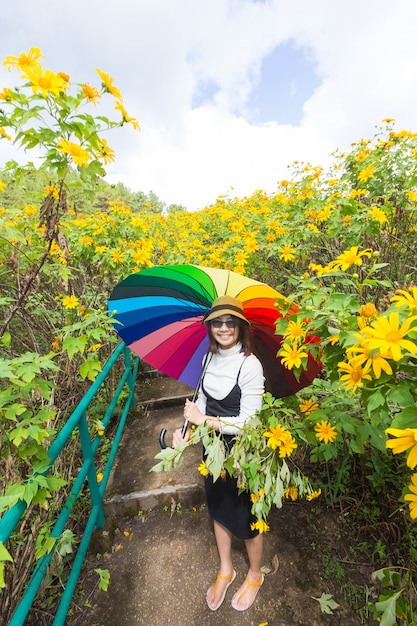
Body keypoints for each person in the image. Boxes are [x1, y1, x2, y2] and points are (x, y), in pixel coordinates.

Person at [172, 295, 265, 612]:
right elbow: (199, 403)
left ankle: (255, 575)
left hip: (242, 456)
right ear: (210, 327)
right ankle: (227, 568)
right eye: (217, 322)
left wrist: (204, 421)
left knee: (248, 518)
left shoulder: (249, 365)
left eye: (230, 322)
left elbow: (248, 425)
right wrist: (184, 433)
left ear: (240, 326)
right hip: (212, 452)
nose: (224, 328)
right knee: (218, 507)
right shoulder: (207, 360)